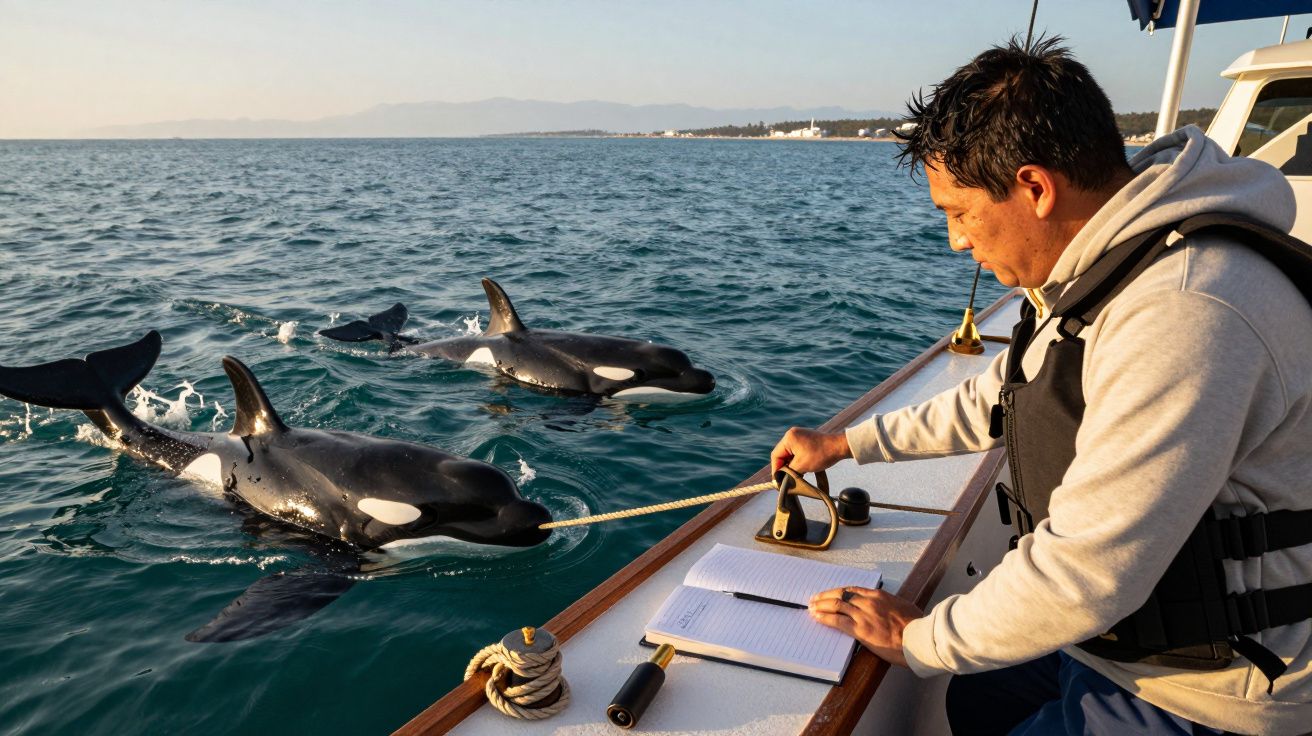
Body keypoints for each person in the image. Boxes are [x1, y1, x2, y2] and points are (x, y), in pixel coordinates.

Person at [771, 37, 1312, 735]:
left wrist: (915, 640)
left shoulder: (1185, 309)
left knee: (952, 674)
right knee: (970, 699)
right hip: (1126, 642)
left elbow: (1089, 573)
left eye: (958, 213)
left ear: (1034, 187)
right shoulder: (1110, 263)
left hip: (1211, 690)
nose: (955, 242)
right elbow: (1005, 394)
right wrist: (844, 442)